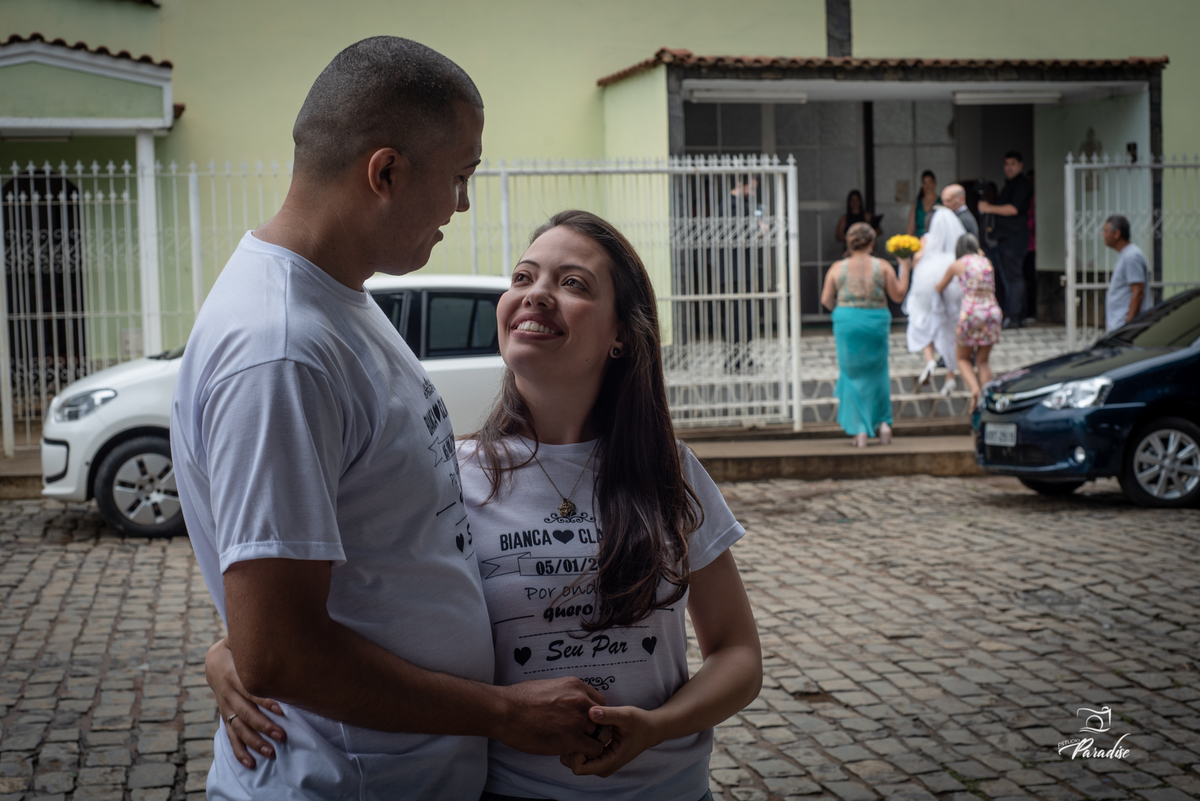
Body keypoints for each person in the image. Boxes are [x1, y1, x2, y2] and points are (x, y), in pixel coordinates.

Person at [171, 39, 607, 801]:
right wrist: (503, 712)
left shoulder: (340, 301)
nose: (463, 204)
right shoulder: (282, 352)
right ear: (386, 172)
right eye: (460, 176)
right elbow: (278, 652)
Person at [206, 210, 764, 801]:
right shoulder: (450, 473)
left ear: (622, 333)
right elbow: (356, 604)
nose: (537, 295)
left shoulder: (668, 472)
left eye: (572, 283)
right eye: (523, 277)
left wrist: (655, 728)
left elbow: (737, 652)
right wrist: (229, 647)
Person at [821, 222, 912, 448]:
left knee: (851, 375)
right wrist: (906, 266)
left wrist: (843, 311)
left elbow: (826, 299)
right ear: (872, 242)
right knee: (878, 373)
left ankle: (860, 430)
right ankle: (884, 425)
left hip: (847, 322)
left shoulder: (836, 268)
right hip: (876, 321)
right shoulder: (882, 266)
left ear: (849, 243)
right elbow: (898, 295)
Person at [904, 207, 966, 396]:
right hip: (949, 280)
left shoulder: (927, 238)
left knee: (921, 317)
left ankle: (930, 360)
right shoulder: (956, 240)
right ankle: (950, 375)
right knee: (949, 324)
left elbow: (917, 259)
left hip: (928, 281)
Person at [935, 234, 1001, 409]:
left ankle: (975, 391)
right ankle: (987, 398)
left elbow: (940, 287)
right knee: (983, 360)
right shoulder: (986, 262)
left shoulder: (958, 264)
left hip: (971, 313)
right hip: (992, 311)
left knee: (962, 357)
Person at [978, 151, 1033, 328]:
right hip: (1005, 240)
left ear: (1020, 165)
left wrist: (989, 208)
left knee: (1013, 278)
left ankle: (1014, 316)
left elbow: (1013, 209)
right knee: (1009, 278)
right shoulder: (1009, 185)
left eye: (1013, 164)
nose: (1009, 167)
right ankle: (1015, 316)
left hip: (1014, 239)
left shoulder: (1022, 184)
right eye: (1006, 164)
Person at [1102, 214, 1153, 331]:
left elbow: (1138, 292)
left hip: (1124, 328)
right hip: (1118, 326)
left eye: (1106, 231)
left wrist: (1128, 326)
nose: (1103, 235)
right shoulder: (1125, 255)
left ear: (1117, 234)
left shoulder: (1131, 256)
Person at [906, 170, 942, 238]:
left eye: (930, 182)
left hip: (937, 241)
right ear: (922, 185)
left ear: (935, 183)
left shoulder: (942, 202)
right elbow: (910, 228)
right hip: (919, 241)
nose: (928, 185)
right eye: (925, 182)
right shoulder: (916, 204)